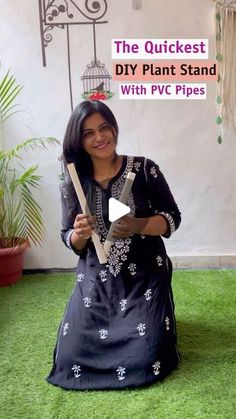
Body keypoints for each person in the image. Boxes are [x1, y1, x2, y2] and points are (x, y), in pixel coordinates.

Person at [47, 100, 181, 390]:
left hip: (144, 275)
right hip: (96, 278)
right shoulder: (73, 184)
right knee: (70, 357)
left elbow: (172, 218)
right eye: (88, 133)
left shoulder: (145, 170)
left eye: (104, 128)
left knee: (147, 355)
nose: (99, 137)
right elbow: (67, 237)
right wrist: (80, 233)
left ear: (114, 128)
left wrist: (138, 225)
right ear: (78, 141)